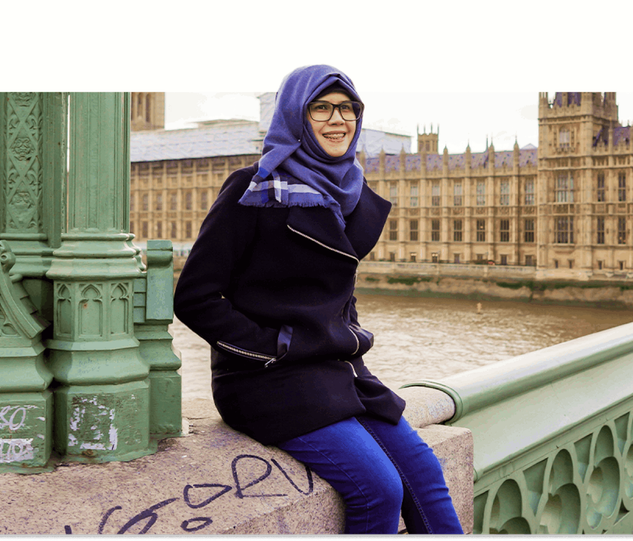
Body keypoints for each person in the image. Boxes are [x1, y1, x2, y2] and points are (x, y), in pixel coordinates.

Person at [173, 64, 463, 535]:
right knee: (379, 489)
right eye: (321, 108)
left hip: (338, 369)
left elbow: (337, 292)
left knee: (426, 476)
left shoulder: (350, 191)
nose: (337, 119)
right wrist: (272, 346)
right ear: (296, 117)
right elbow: (195, 296)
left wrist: (345, 336)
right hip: (267, 378)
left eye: (347, 108)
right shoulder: (253, 187)